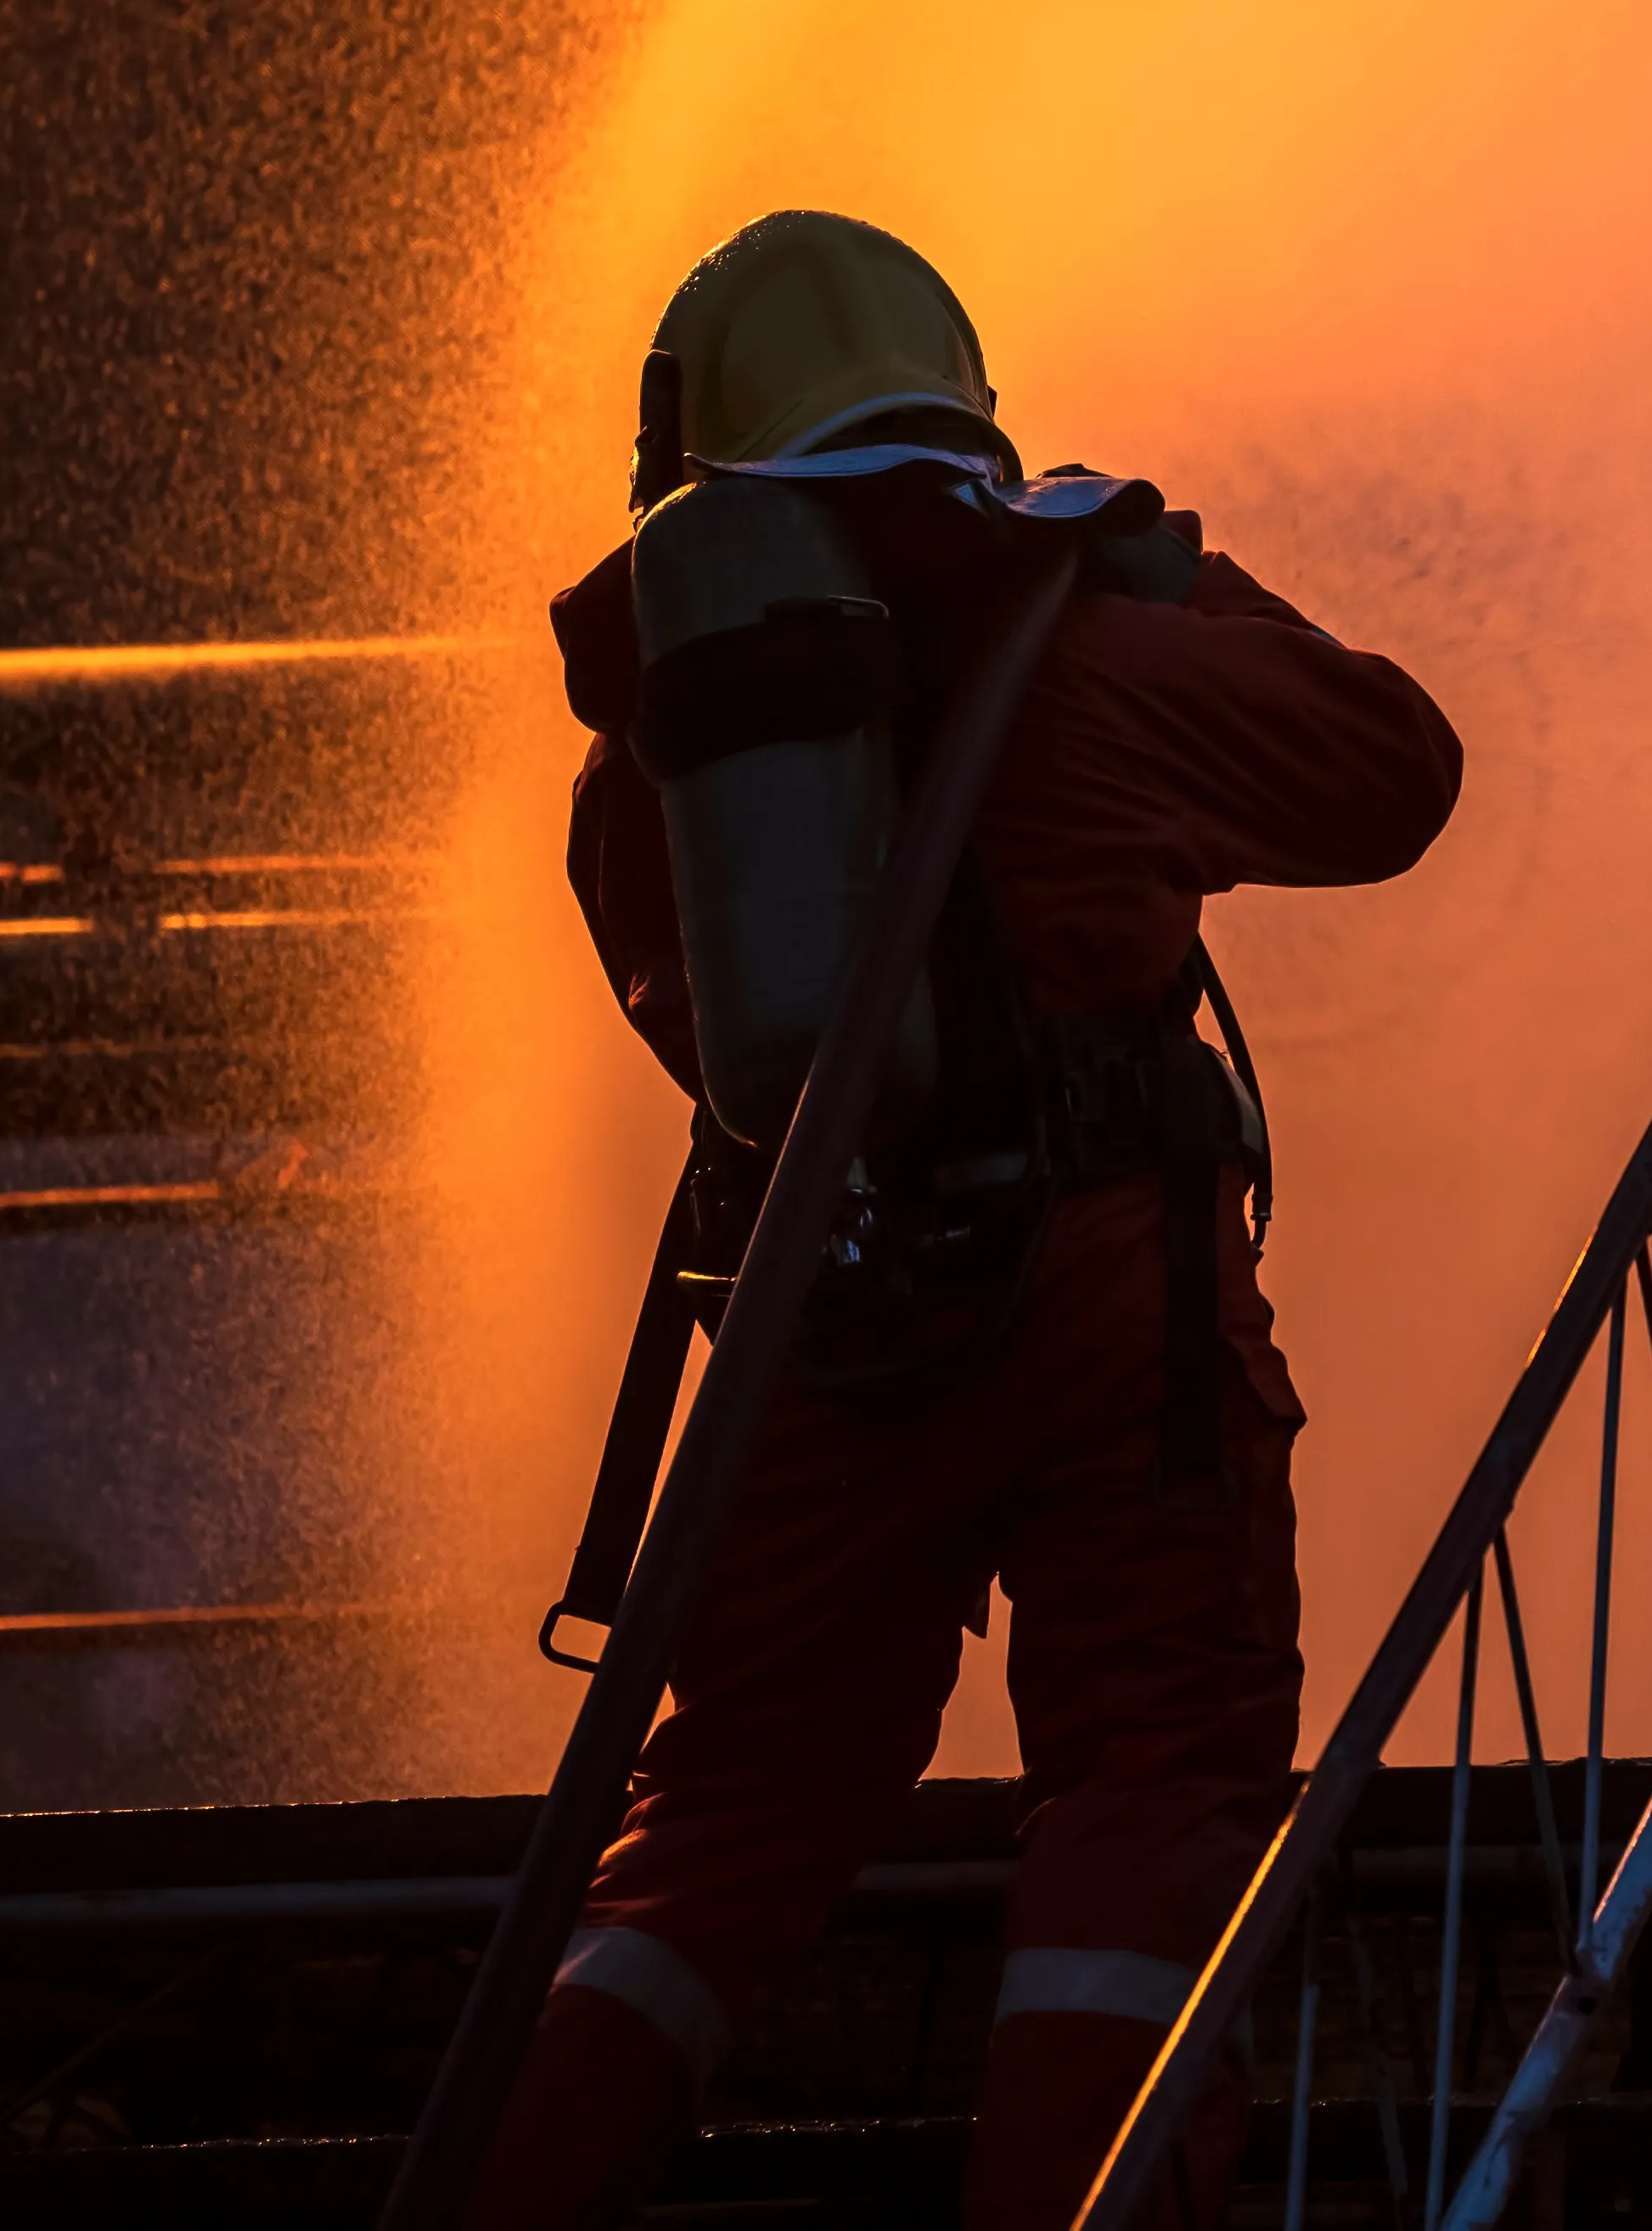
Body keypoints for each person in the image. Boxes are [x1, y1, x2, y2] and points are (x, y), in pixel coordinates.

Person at [475, 212, 1463, 2231]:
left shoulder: (658, 761)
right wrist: (1172, 570)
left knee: (723, 1817)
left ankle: (529, 2184)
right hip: (1121, 1323)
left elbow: (712, 1036)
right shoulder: (1095, 657)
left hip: (829, 1335)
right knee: (1141, 1787)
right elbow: (1396, 766)